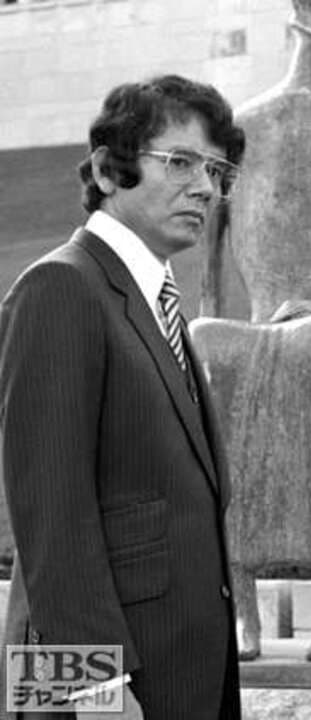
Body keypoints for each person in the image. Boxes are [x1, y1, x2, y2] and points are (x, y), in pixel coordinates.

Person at [0, 75, 244, 719]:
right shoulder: (59, 288)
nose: (205, 187)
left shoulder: (157, 303)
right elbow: (50, 512)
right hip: (103, 693)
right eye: (181, 161)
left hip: (179, 675)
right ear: (109, 170)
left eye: (217, 171)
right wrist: (94, 691)